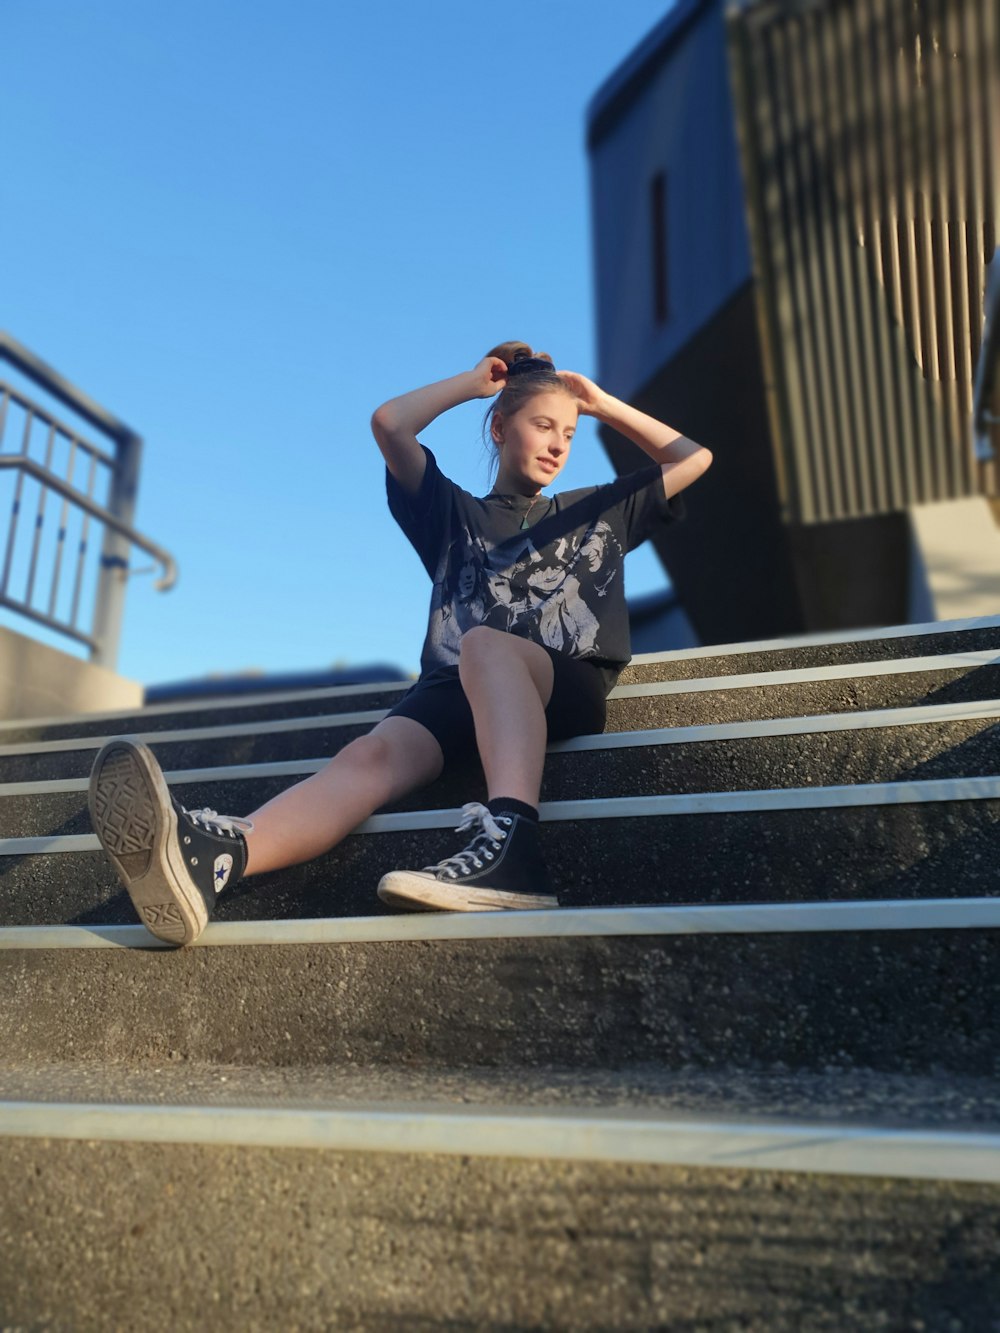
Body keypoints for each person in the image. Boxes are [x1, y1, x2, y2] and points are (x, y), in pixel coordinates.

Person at [88, 343, 712, 945]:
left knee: (486, 647)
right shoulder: (454, 515)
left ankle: (515, 849)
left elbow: (693, 457)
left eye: (568, 434)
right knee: (367, 756)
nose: (557, 445)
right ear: (499, 428)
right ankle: (219, 860)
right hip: (456, 691)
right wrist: (473, 384)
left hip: (558, 684)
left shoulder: (595, 510)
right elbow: (390, 423)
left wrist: (599, 404)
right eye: (543, 425)